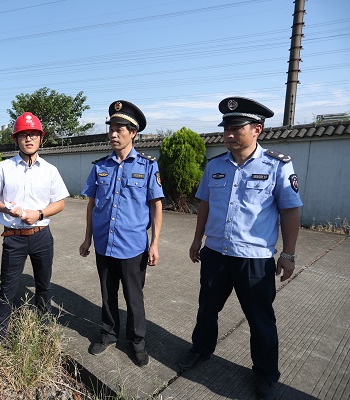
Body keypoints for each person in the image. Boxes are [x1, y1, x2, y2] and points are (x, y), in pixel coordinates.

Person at [177, 97, 303, 400]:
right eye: (226, 129)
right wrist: (197, 239)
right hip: (216, 254)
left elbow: (290, 210)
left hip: (254, 259)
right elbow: (205, 204)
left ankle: (266, 375)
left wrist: (288, 254)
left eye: (237, 128)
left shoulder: (277, 165)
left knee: (260, 319)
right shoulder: (215, 165)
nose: (229, 134)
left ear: (257, 129)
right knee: (207, 309)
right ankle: (201, 349)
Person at [79, 100, 163, 367]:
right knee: (107, 294)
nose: (113, 134)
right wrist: (87, 238)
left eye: (120, 129)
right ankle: (108, 334)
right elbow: (91, 204)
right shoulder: (100, 166)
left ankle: (137, 342)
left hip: (133, 246)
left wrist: (154, 243)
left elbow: (156, 206)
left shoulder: (147, 166)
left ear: (133, 133)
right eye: (111, 128)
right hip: (104, 243)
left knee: (134, 297)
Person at [0, 112, 69, 339]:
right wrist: (6, 208)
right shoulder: (4, 167)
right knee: (8, 286)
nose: (28, 139)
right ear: (16, 139)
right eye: (23, 135)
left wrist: (39, 213)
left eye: (33, 134)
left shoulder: (50, 170)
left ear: (41, 138)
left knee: (44, 285)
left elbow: (60, 203)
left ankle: (44, 328)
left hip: (41, 236)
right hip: (14, 237)